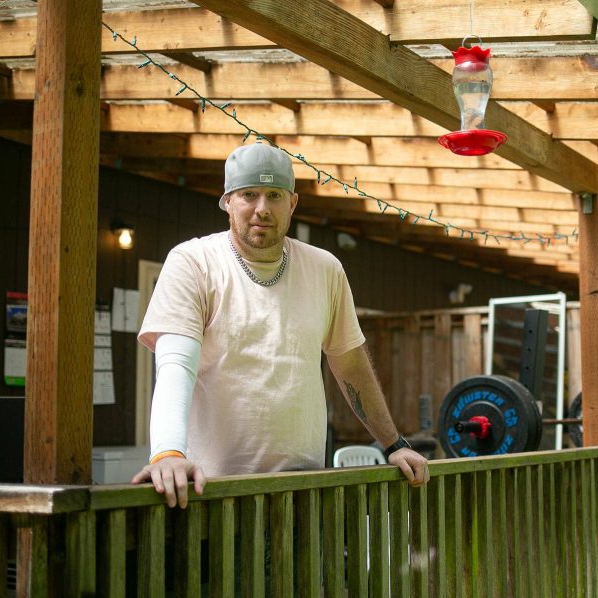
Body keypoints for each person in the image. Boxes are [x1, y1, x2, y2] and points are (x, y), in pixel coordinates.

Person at [133, 142, 430, 507]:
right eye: (249, 195)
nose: (262, 209)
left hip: (303, 493)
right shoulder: (193, 262)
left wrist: (393, 445)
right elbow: (176, 364)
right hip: (213, 492)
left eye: (274, 195)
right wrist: (168, 452)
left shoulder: (325, 270)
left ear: (292, 203)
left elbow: (351, 365)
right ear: (227, 201)